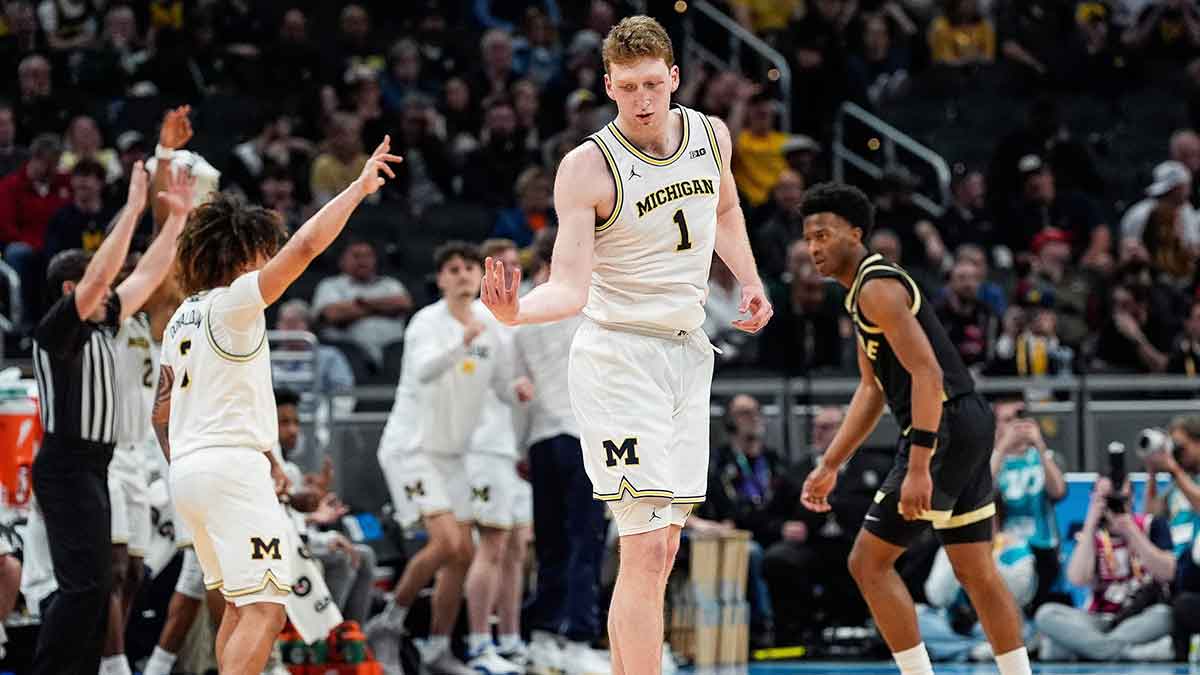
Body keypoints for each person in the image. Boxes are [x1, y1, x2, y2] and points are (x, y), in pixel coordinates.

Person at [479, 15, 772, 675]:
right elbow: (571, 287)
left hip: (687, 353)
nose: (642, 100)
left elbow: (724, 211)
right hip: (619, 359)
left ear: (674, 78)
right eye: (627, 86)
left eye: (652, 84)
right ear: (608, 86)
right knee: (641, 550)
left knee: (665, 547)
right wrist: (518, 311)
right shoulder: (587, 166)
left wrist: (750, 280)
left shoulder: (710, 134)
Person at [151, 137, 400, 675]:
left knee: (240, 609)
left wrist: (193, 466)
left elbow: (159, 413)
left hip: (190, 472)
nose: (269, 261)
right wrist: (357, 188)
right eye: (262, 252)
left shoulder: (181, 317)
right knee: (266, 609)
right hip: (228, 468)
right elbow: (306, 246)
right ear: (241, 254)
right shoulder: (237, 303)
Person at [798, 182, 1032, 675]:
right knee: (975, 569)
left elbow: (927, 374)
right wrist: (830, 464)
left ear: (856, 233)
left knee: (868, 563)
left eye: (824, 234)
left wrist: (920, 464)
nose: (814, 247)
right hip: (966, 421)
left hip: (943, 424)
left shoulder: (879, 288)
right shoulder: (858, 295)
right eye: (808, 238)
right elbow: (872, 390)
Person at [28, 162, 180, 675]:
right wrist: (134, 208)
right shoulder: (57, 331)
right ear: (73, 291)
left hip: (97, 464)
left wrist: (175, 220)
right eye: (98, 282)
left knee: (96, 588)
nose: (114, 289)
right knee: (85, 587)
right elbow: (105, 276)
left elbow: (147, 275)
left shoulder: (102, 327)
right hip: (66, 465)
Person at [369, 242, 529, 675]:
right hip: (411, 449)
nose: (461, 275)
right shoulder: (427, 322)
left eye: (468, 269)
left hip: (453, 456)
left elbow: (499, 385)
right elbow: (423, 371)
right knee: (448, 543)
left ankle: (438, 648)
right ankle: (389, 622)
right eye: (452, 269)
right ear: (440, 279)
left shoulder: (491, 329)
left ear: (479, 277)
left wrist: (518, 389)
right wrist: (462, 341)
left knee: (462, 555)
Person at [102, 166, 193, 675]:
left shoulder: (143, 319)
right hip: (106, 453)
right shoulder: (100, 311)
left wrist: (181, 217)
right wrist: (157, 209)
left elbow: (170, 277)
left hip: (141, 456)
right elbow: (147, 268)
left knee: (136, 570)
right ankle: (113, 667)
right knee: (112, 569)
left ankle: (117, 658)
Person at [1034, 477, 1177, 661]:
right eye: (1107, 499)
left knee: (1164, 615)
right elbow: (1077, 579)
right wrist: (1091, 521)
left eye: (1121, 499)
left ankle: (1086, 650)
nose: (1113, 505)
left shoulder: (1151, 525)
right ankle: (1127, 653)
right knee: (1046, 614)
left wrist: (1131, 531)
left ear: (1132, 497)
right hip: (1097, 619)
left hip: (1139, 617)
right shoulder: (1092, 533)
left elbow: (1169, 572)